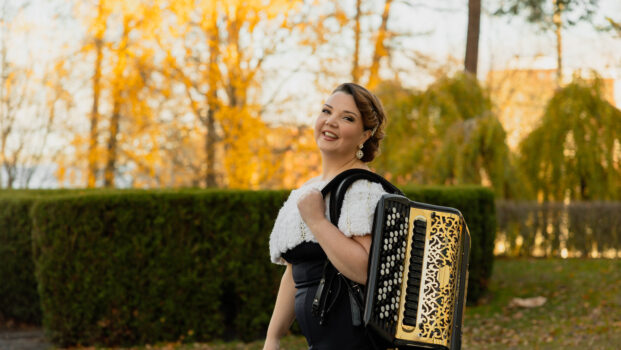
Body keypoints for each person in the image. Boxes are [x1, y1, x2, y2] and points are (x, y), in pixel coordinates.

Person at [264, 83, 389, 350]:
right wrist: (272, 339)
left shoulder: (361, 189)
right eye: (326, 111)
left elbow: (364, 270)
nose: (330, 122)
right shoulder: (306, 191)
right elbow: (294, 271)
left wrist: (318, 221)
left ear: (365, 135)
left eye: (347, 118)